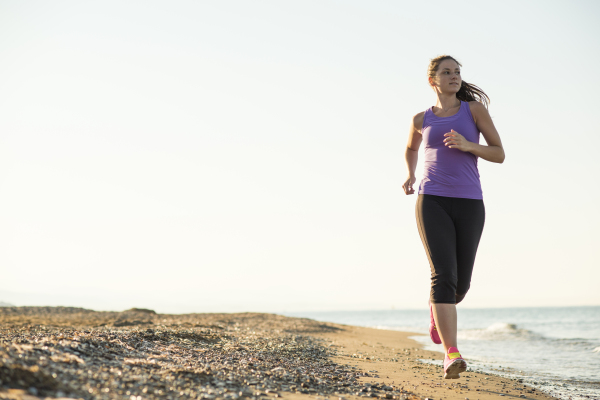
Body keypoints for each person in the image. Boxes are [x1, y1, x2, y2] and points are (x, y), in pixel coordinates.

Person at [403, 55, 505, 379]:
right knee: (443, 275)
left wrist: (467, 145)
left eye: (457, 72)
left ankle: (437, 309)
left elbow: (499, 153)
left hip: (470, 202)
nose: (454, 76)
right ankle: (451, 354)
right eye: (446, 72)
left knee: (459, 286)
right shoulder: (421, 118)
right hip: (431, 200)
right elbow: (411, 148)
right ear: (432, 80)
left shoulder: (473, 111)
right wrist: (409, 174)